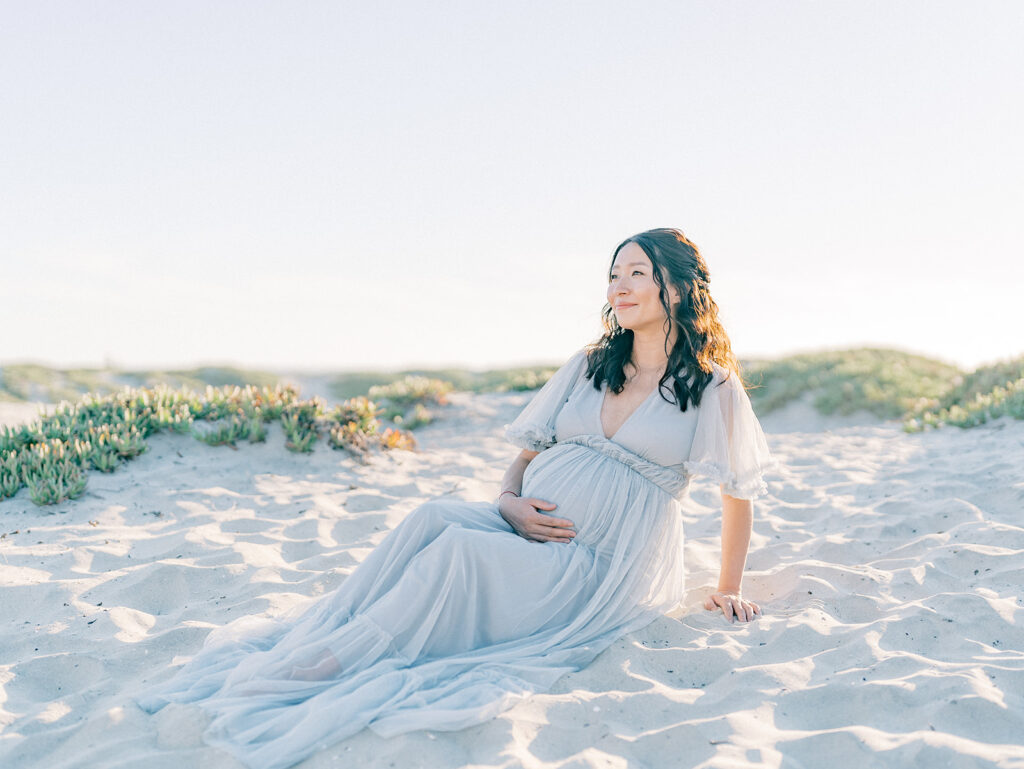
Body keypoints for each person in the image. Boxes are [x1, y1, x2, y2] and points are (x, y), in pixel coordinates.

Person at [133, 227, 778, 769]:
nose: (620, 286)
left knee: (461, 554)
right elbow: (527, 453)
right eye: (614, 274)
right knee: (431, 516)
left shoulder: (710, 386)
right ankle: (341, 634)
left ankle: (337, 662)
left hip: (599, 560)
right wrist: (507, 501)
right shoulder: (591, 364)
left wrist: (729, 585)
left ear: (678, 284)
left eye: (637, 272)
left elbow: (735, 496)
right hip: (524, 520)